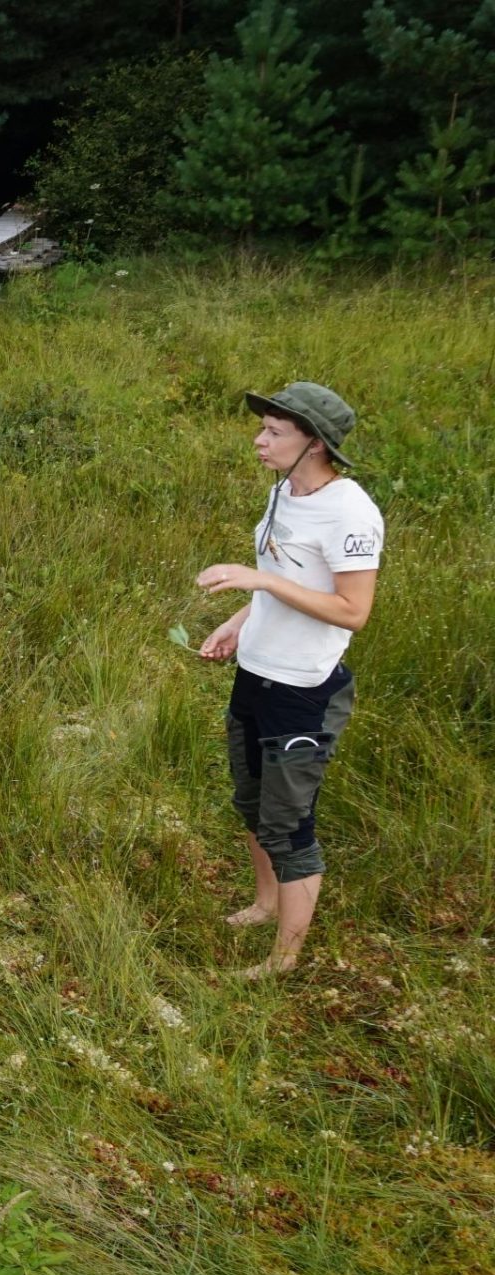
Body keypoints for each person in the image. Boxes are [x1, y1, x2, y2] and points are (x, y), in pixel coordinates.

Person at [193, 382, 382, 981]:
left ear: (316, 444)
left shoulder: (351, 512)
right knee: (250, 800)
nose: (259, 440)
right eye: (263, 428)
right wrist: (236, 621)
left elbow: (353, 611)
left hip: (304, 687)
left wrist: (262, 583)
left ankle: (284, 959)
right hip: (256, 673)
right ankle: (265, 901)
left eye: (275, 432)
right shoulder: (283, 494)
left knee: (289, 822)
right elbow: (279, 576)